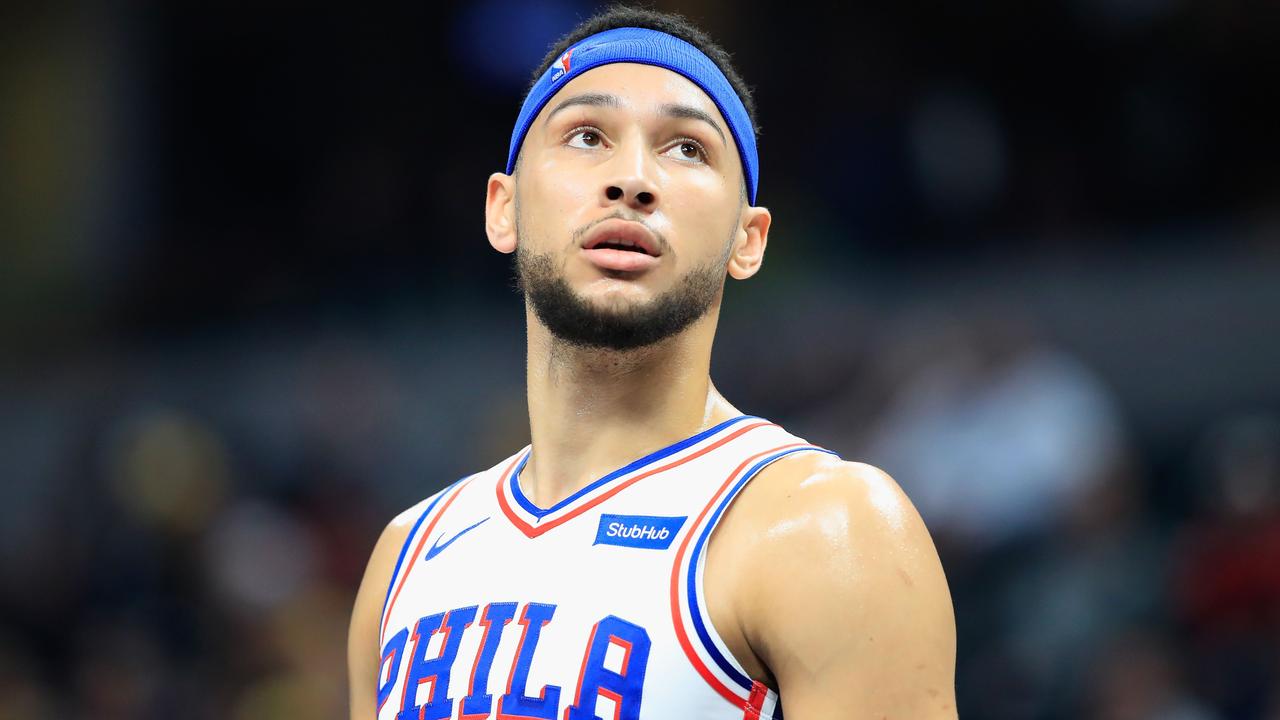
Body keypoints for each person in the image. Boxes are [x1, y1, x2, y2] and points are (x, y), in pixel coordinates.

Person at [348, 7, 956, 719]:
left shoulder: (826, 529)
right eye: (586, 136)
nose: (632, 179)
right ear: (503, 209)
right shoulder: (406, 559)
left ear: (747, 240)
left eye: (687, 149)